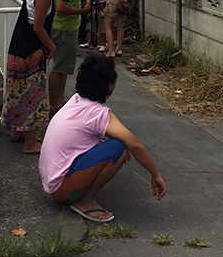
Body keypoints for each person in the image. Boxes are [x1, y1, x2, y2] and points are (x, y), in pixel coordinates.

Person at [39, 53, 166, 223]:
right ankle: (84, 201)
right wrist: (155, 174)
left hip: (51, 180)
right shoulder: (98, 114)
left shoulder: (75, 101)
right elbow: (135, 145)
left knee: (113, 145)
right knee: (119, 148)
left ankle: (80, 191)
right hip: (61, 188)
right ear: (109, 86)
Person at [1, 0, 67, 154]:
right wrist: (52, 46)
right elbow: (38, 26)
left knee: (18, 92)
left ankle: (17, 132)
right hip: (30, 51)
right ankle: (31, 142)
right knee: (33, 94)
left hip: (18, 47)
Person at [48, 0, 91, 115]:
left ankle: (59, 101)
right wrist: (83, 10)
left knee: (63, 68)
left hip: (63, 26)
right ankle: (53, 104)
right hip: (64, 27)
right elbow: (61, 6)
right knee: (59, 68)